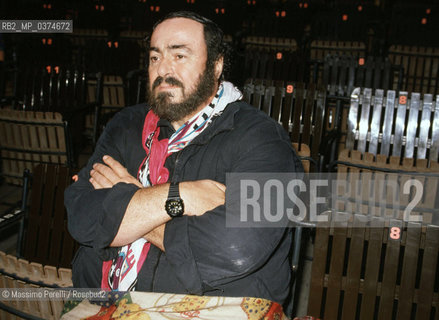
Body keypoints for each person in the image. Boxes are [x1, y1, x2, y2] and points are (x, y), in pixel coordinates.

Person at [65, 11, 303, 313]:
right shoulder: (126, 125)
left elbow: (234, 248)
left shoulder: (264, 140)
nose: (163, 68)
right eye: (155, 58)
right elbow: (82, 215)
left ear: (215, 66)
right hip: (104, 301)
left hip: (214, 309)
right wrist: (180, 196)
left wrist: (131, 202)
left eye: (179, 56)